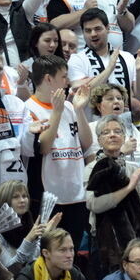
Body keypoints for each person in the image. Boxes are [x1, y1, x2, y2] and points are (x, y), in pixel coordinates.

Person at [24, 55, 93, 247]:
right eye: (63, 76)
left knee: (73, 255)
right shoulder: (28, 109)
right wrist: (56, 112)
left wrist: (79, 110)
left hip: (76, 194)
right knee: (49, 252)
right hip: (48, 197)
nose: (68, 81)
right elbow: (43, 148)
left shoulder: (70, 107)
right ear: (48, 79)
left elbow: (86, 143)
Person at [84, 115, 140, 274]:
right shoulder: (92, 168)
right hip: (104, 241)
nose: (112, 135)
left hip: (133, 239)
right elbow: (94, 204)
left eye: (117, 131)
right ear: (99, 140)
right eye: (106, 132)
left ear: (124, 137)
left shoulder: (133, 168)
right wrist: (128, 188)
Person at [67, 8, 140, 106]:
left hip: (124, 120)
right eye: (88, 30)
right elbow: (81, 95)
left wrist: (139, 72)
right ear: (83, 33)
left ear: (108, 28)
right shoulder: (76, 59)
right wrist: (109, 69)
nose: (93, 34)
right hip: (92, 121)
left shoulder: (127, 57)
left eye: (97, 29)